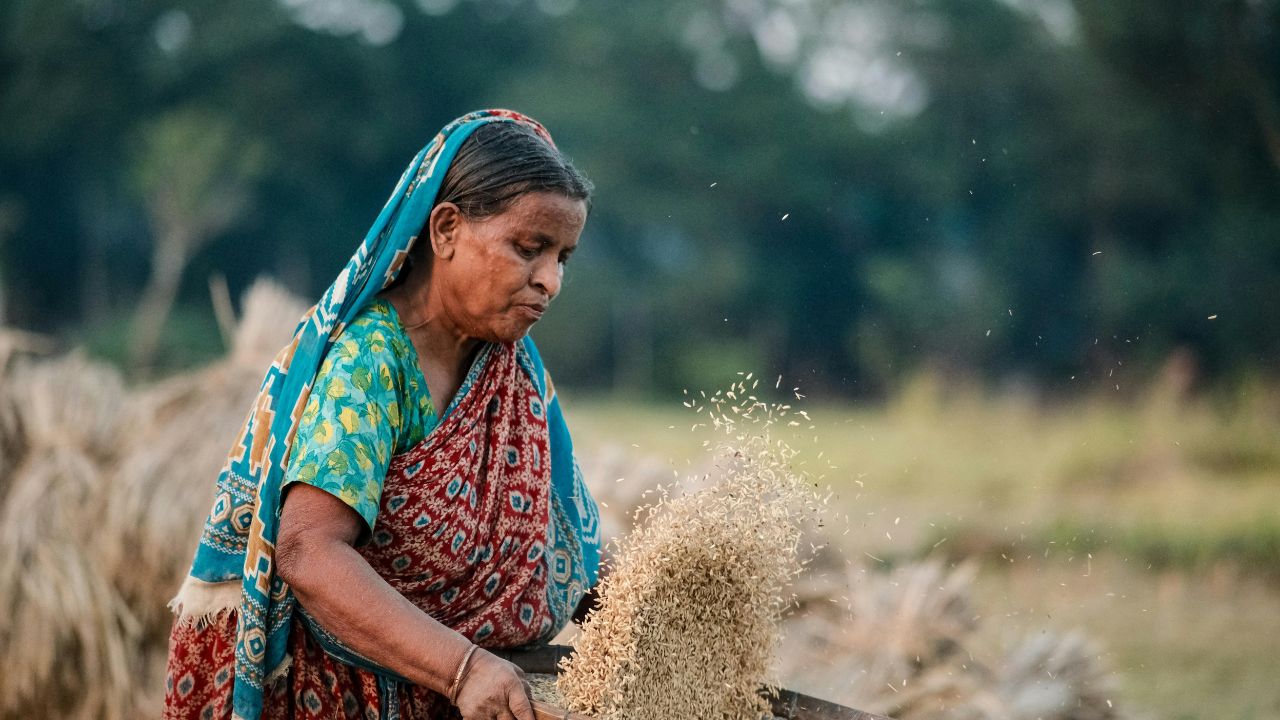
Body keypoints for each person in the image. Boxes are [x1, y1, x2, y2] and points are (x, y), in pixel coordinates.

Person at [163, 109, 602, 720]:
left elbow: (555, 546)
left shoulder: (513, 368)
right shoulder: (373, 363)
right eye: (529, 248)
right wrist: (463, 667)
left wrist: (640, 612)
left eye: (564, 257)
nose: (551, 281)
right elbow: (308, 551)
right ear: (445, 228)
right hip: (348, 698)